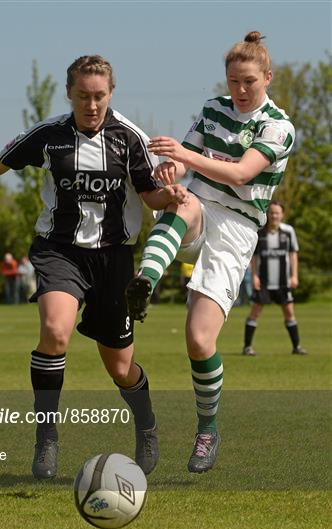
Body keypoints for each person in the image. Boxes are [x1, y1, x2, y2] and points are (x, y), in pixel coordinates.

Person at [0, 55, 188, 480]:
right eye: (82, 96)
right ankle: (46, 436)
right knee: (55, 332)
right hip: (60, 250)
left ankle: (146, 424)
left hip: (114, 258)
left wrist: (174, 197)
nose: (91, 104)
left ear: (111, 93)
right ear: (69, 93)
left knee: (120, 367)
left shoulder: (130, 138)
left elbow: (151, 196)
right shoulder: (50, 135)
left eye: (99, 96)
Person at [125, 32, 296, 474]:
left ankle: (208, 428)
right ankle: (144, 280)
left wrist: (185, 156)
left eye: (249, 82)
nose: (239, 90)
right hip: (198, 206)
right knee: (183, 198)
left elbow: (241, 174)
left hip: (237, 227)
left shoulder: (278, 127)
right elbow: (185, 163)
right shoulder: (213, 109)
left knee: (200, 340)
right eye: (233, 81)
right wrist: (170, 168)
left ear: (268, 79)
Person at [243, 201, 307, 356]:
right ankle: (247, 347)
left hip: (283, 282)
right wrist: (255, 276)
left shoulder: (288, 231)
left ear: (282, 214)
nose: (274, 215)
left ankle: (296, 347)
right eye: (271, 212)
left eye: (277, 213)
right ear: (267, 214)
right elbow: (254, 257)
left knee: (289, 313)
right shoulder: (260, 232)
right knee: (255, 313)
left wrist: (294, 275)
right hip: (263, 282)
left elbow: (293, 254)